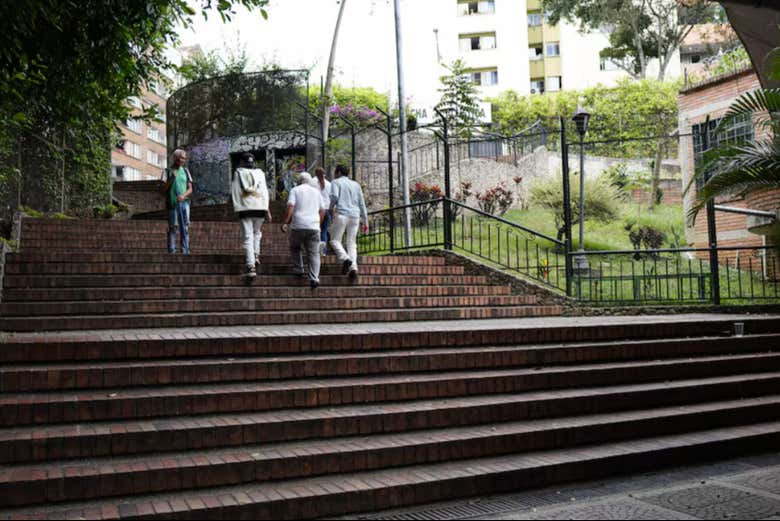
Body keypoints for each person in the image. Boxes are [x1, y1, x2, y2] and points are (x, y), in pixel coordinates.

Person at [282, 172, 328, 289]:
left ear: (299, 181)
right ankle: (314, 278)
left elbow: (291, 206)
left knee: (295, 247)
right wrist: (319, 223)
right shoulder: (317, 192)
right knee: (314, 253)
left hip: (298, 225)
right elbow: (323, 210)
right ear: (309, 181)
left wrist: (286, 222)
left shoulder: (295, 190)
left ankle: (299, 269)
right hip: (313, 226)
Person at [231, 153, 271, 278]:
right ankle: (256, 254)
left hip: (245, 208)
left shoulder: (238, 173)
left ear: (242, 162)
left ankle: (251, 266)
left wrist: (236, 207)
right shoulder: (260, 174)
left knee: (248, 237)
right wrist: (267, 209)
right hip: (260, 207)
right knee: (257, 233)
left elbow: (235, 191)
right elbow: (264, 191)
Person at [329, 164, 368, 280]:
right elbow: (362, 203)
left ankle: (345, 258)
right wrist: (365, 220)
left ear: (339, 172)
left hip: (342, 214)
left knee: (335, 240)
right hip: (355, 216)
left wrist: (330, 207)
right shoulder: (356, 185)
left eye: (335, 172)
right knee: (352, 243)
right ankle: (354, 268)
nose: (335, 174)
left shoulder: (336, 182)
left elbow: (335, 197)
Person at [161, 149, 194, 254]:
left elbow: (190, 188)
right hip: (172, 203)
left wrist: (183, 196)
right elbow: (162, 189)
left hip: (184, 203)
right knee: (173, 227)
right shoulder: (167, 171)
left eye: (184, 158)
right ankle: (172, 250)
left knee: (185, 227)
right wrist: (171, 178)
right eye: (181, 158)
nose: (183, 160)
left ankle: (185, 250)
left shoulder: (185, 171)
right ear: (175, 158)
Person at [310, 167, 332, 256]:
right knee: (324, 231)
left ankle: (314, 250)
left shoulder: (312, 182)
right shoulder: (329, 184)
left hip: (316, 210)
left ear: (315, 173)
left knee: (315, 231)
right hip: (327, 210)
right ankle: (323, 251)